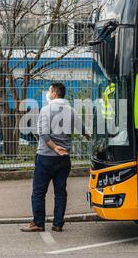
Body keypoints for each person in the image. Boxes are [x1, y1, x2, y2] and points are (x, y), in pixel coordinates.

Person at [20, 83, 90, 232]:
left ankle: (38, 223)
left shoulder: (46, 110)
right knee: (60, 192)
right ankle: (58, 223)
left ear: (55, 94)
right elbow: (83, 130)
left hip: (45, 157)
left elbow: (44, 134)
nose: (48, 93)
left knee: (39, 192)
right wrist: (93, 141)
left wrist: (54, 147)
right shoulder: (71, 111)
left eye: (50, 90)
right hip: (64, 159)